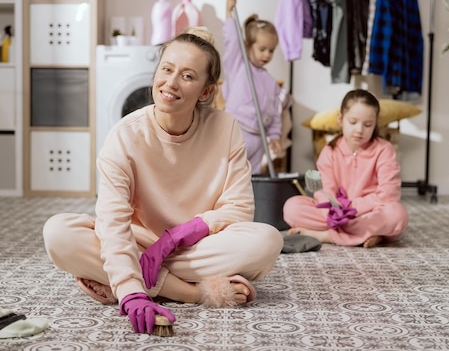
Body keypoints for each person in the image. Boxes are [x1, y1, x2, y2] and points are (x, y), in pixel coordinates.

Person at [43, 27, 283, 335]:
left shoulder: (226, 128)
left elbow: (238, 210)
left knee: (267, 241)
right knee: (59, 234)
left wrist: (174, 238)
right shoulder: (125, 134)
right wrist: (131, 294)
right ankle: (188, 291)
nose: (170, 83)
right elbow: (112, 221)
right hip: (139, 240)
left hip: (197, 246)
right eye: (166, 69)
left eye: (187, 76)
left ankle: (121, 276)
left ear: (206, 91)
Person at [283, 89, 408, 248]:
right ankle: (366, 235)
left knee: (397, 215)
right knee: (292, 207)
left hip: (368, 213)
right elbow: (324, 190)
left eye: (368, 124)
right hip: (336, 213)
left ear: (375, 123)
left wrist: (353, 208)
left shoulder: (384, 149)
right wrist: (335, 211)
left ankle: (327, 236)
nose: (359, 130)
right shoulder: (329, 151)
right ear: (341, 119)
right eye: (353, 122)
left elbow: (388, 194)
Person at [222, 0, 284, 174]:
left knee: (252, 180)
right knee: (230, 175)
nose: (267, 55)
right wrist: (229, 14)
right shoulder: (239, 66)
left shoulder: (271, 82)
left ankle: (249, 202)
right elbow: (232, 41)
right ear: (248, 45)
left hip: (259, 139)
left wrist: (274, 136)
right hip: (237, 133)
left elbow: (275, 113)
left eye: (271, 50)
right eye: (262, 49)